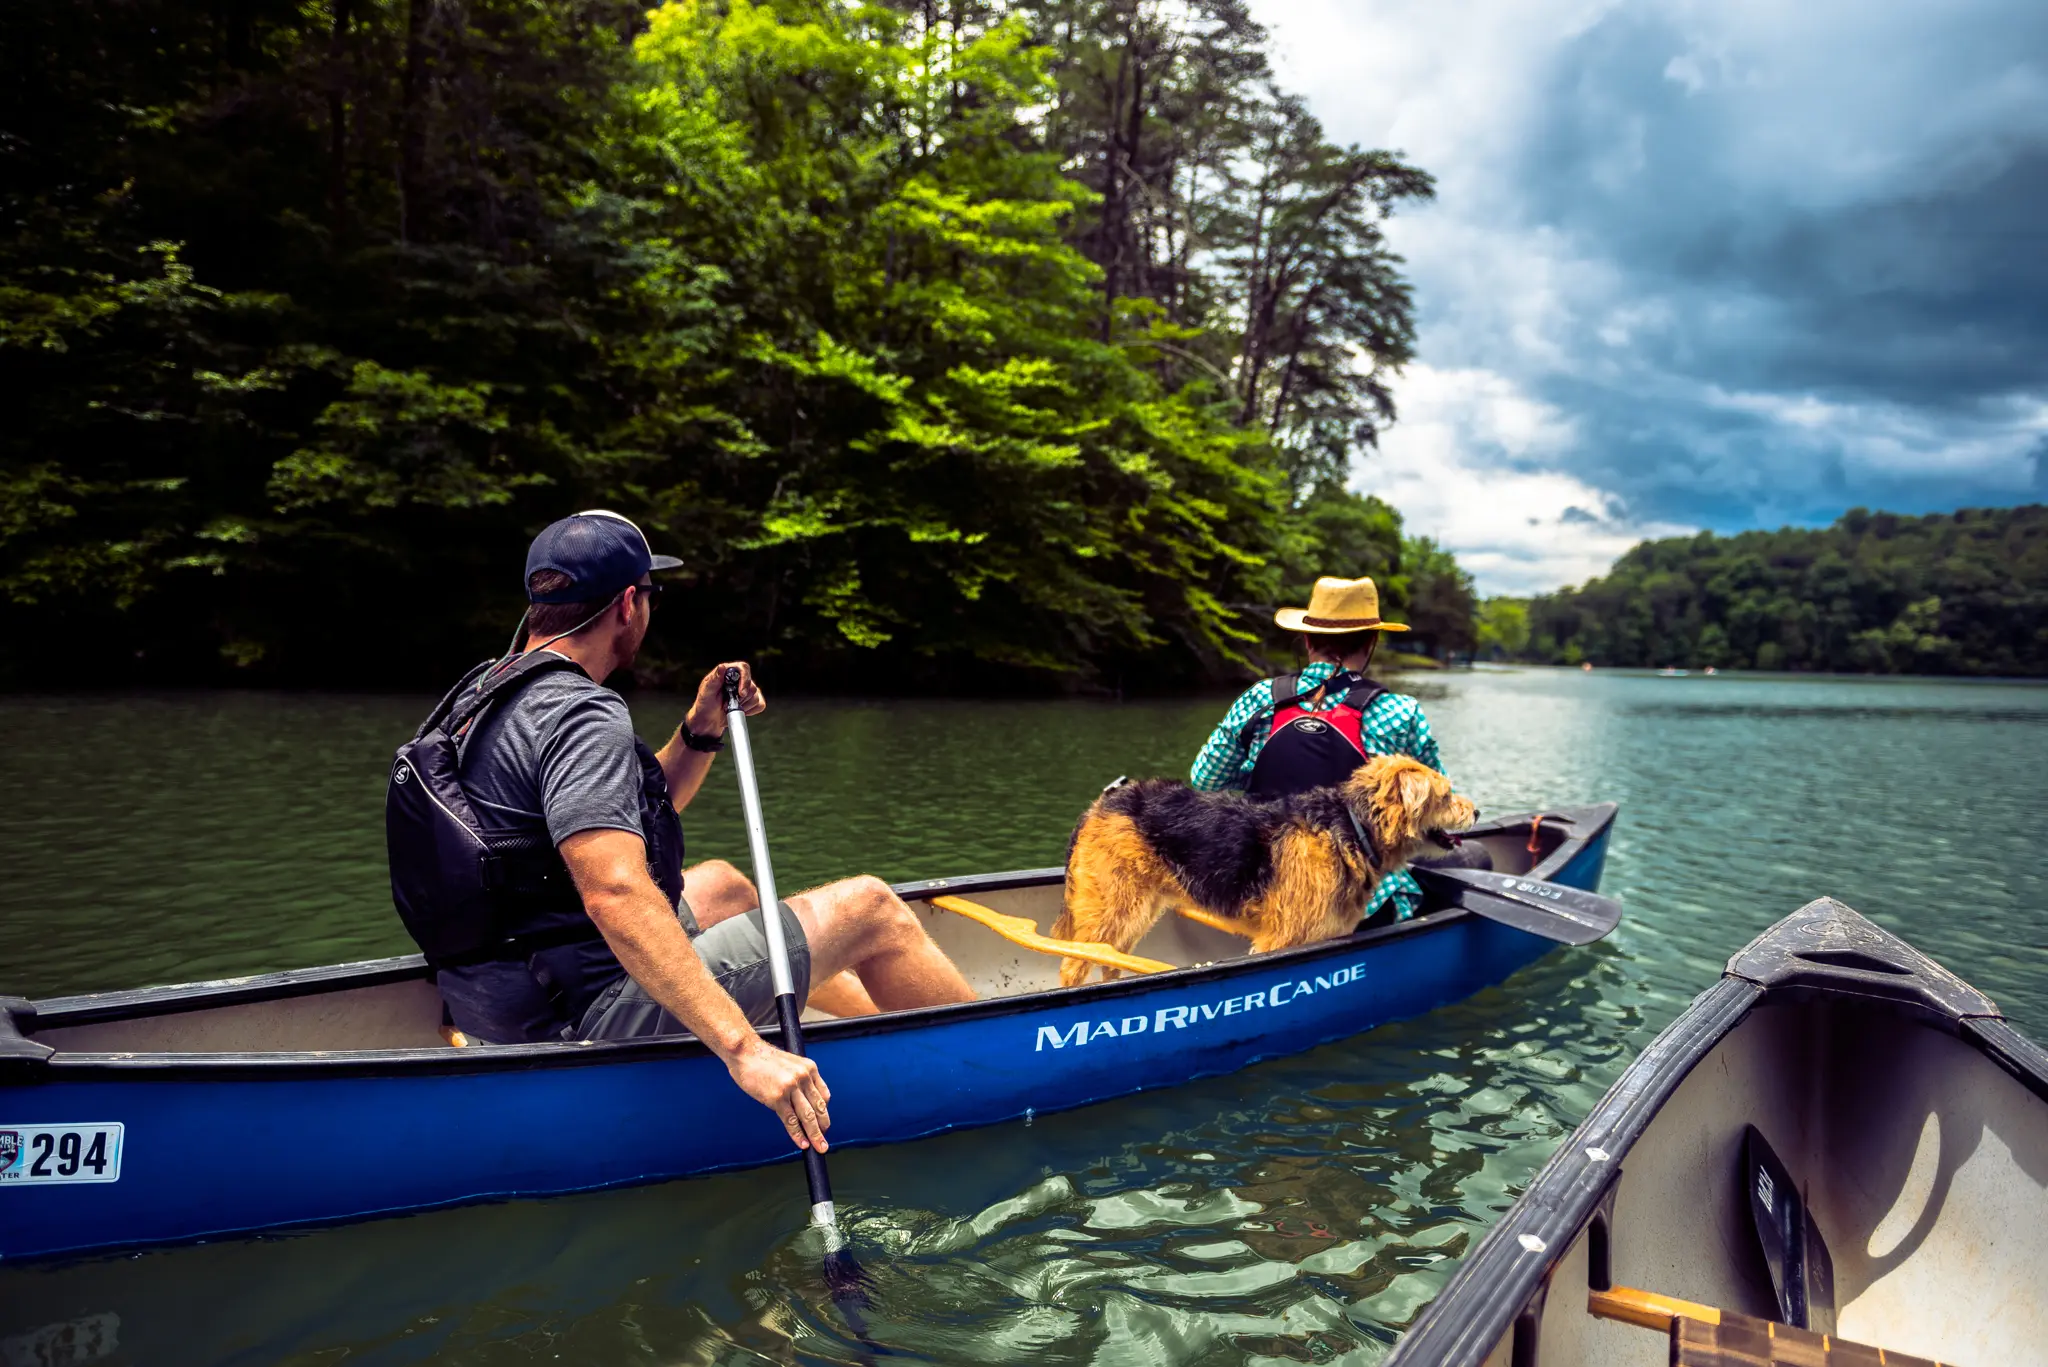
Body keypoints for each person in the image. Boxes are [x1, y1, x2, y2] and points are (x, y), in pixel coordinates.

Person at [388, 509, 975, 1154]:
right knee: (872, 908)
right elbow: (614, 892)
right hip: (583, 1014)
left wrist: (701, 730)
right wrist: (745, 1050)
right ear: (627, 605)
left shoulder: (484, 691)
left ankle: (892, 1036)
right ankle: (984, 1063)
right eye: (652, 595)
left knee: (721, 884)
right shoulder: (583, 715)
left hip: (506, 989)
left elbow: (618, 819)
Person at [1188, 575, 1449, 923]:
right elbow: (1438, 805)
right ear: (1371, 641)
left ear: (1308, 639)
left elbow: (1205, 781)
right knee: (1465, 861)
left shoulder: (1259, 698)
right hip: (1353, 901)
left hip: (1256, 886)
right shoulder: (1401, 712)